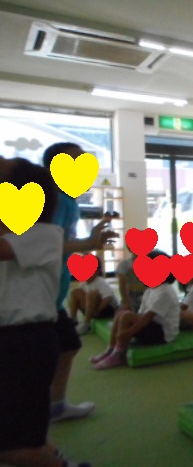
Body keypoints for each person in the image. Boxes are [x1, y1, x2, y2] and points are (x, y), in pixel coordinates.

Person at [0, 156, 91, 467]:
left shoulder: (43, 233)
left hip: (25, 341)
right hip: (18, 339)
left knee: (15, 448)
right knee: (19, 432)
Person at [42, 142, 117, 423]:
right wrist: (88, 243)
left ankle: (55, 406)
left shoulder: (68, 200)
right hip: (40, 295)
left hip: (53, 293)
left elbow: (61, 242)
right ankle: (42, 411)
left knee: (68, 345)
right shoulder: (54, 199)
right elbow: (46, 243)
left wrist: (89, 241)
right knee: (49, 350)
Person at [91, 249, 180, 370]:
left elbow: (146, 318)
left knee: (126, 316)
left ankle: (118, 354)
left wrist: (128, 333)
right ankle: (111, 349)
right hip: (153, 326)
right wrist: (125, 325)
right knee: (121, 313)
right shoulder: (150, 289)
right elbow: (141, 314)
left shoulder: (165, 292)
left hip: (164, 334)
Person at [68, 257, 117, 335]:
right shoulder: (84, 283)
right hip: (92, 309)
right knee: (75, 292)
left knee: (92, 294)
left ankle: (86, 324)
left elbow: (108, 298)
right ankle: (73, 320)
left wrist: (98, 310)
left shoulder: (100, 282)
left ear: (97, 272)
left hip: (106, 309)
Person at [116, 246, 147, 313]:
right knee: (122, 314)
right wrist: (126, 302)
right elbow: (122, 286)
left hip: (147, 297)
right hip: (131, 297)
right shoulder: (124, 264)